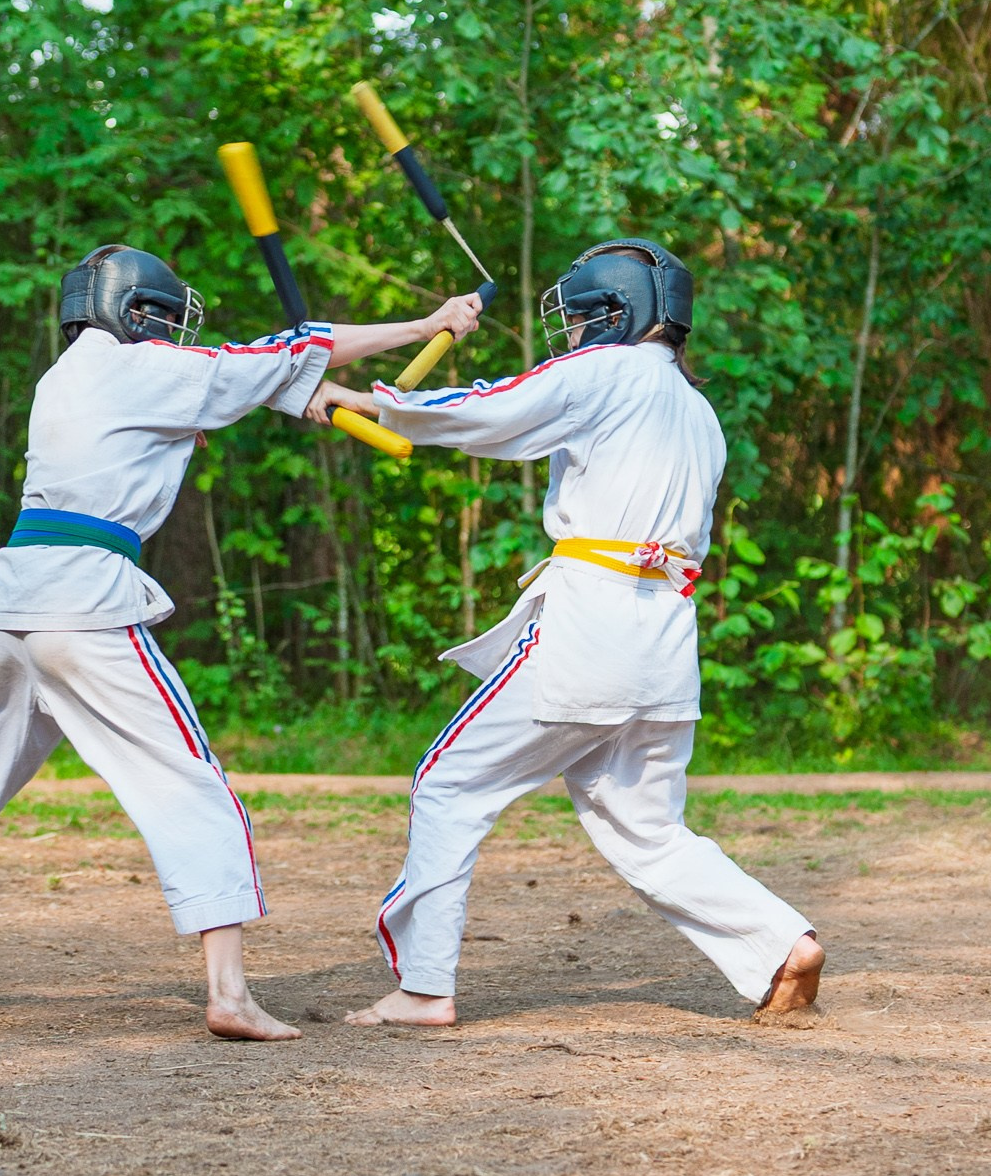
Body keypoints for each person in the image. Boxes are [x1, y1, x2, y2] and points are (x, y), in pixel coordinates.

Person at [0, 244, 486, 1040]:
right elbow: (293, 346)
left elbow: (264, 381)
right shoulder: (153, 371)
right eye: (169, 322)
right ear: (139, 315)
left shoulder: (67, 374)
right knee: (189, 783)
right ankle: (230, 994)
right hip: (86, 603)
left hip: (12, 603)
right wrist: (430, 321)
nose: (177, 336)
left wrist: (318, 395)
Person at [311, 239, 823, 1025]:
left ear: (619, 316)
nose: (575, 335)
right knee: (648, 827)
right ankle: (782, 941)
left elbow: (490, 406)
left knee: (449, 783)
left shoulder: (605, 370)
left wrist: (362, 399)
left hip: (593, 624)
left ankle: (423, 986)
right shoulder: (700, 412)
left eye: (583, 319)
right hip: (665, 639)